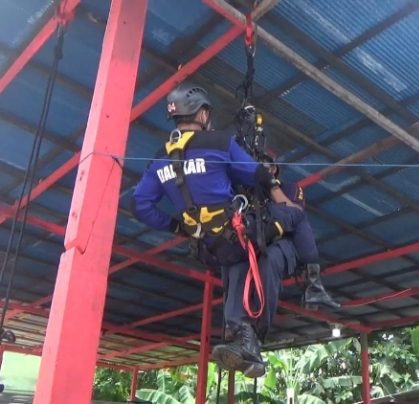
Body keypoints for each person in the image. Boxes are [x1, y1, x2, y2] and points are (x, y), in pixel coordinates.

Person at [131, 82, 334, 378]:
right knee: (291, 219)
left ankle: (239, 337)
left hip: (208, 246)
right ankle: (312, 285)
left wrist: (177, 226)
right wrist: (279, 195)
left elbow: (140, 205)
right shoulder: (218, 143)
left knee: (236, 264)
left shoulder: (159, 158)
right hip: (238, 232)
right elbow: (256, 173)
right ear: (202, 114)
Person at [261, 155, 339, 310]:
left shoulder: (291, 188)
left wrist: (272, 188)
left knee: (272, 257)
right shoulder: (252, 191)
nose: (259, 172)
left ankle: (313, 284)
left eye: (263, 169)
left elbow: (294, 212)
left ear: (273, 169)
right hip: (256, 237)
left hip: (283, 240)